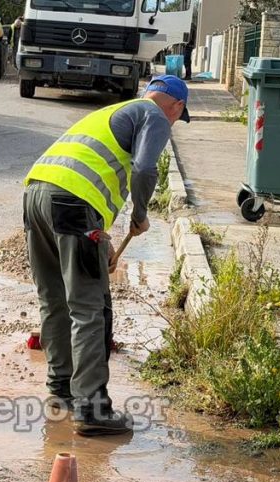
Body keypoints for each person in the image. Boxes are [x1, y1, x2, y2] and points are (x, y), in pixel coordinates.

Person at [23, 76, 190, 436]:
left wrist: (104, 241)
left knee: (54, 300)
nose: (174, 123)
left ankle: (61, 391)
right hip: (70, 206)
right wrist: (140, 214)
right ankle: (93, 408)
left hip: (36, 196)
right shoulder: (155, 116)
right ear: (176, 107)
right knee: (89, 308)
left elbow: (87, 181)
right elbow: (144, 169)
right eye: (179, 116)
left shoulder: (116, 111)